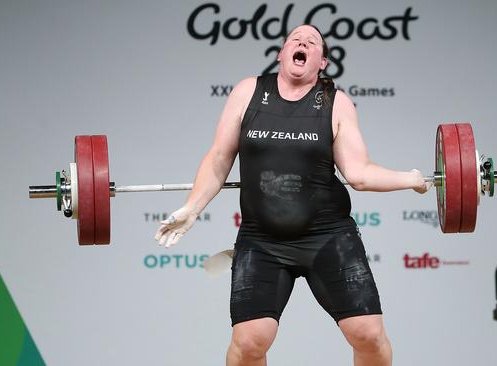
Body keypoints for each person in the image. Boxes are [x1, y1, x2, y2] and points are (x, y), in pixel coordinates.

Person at [154, 24, 431, 366]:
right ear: (281, 54)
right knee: (249, 343)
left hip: (327, 235)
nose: (302, 42)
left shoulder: (336, 103)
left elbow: (358, 173)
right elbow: (219, 157)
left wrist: (411, 178)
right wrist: (192, 208)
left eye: (312, 42)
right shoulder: (248, 92)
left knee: (369, 335)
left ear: (322, 62)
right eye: (294, 40)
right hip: (262, 240)